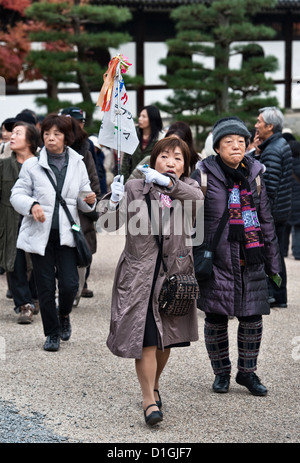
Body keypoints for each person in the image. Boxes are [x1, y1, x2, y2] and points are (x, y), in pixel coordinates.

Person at [98, 136, 203, 426]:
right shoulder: (134, 187)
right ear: (153, 159)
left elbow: (197, 202)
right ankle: (148, 399)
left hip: (173, 275)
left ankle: (154, 384)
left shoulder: (189, 189)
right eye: (164, 156)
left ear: (185, 166)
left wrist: (168, 184)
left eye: (178, 158)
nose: (170, 162)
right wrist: (114, 199)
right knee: (144, 338)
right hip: (138, 275)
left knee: (164, 340)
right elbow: (108, 224)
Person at [192, 117, 281, 396]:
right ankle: (221, 374)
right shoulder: (204, 174)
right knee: (216, 317)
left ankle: (247, 372)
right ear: (217, 147)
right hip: (216, 258)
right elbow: (190, 218)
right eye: (228, 142)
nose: (236, 146)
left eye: (241, 141)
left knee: (252, 317)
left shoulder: (255, 173)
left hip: (249, 258)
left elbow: (265, 219)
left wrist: (273, 263)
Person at [10, 114, 97, 352]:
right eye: (47, 133)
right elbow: (16, 195)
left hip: (68, 235)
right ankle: (52, 333)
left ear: (67, 137)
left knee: (69, 285)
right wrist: (32, 205)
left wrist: (89, 200)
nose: (51, 138)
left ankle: (64, 314)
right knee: (46, 287)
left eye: (57, 134)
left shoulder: (77, 163)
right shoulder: (31, 164)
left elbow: (84, 197)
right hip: (41, 236)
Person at [0, 121, 41, 323]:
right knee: (14, 264)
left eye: (18, 133)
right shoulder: (4, 165)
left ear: (30, 140)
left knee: (40, 262)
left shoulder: (43, 164)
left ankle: (35, 296)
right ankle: (24, 304)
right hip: (9, 222)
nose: (11, 136)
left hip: (37, 220)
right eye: (11, 133)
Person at [255, 106, 293, 308]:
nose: (256, 125)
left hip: (273, 211)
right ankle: (279, 296)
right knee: (276, 252)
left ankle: (273, 294)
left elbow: (267, 187)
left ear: (269, 126)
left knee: (270, 253)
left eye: (259, 122)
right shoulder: (278, 145)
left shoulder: (273, 150)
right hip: (282, 209)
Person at [67, 117, 101, 304]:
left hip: (81, 210)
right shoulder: (46, 154)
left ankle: (77, 289)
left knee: (81, 251)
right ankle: (64, 291)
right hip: (57, 212)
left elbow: (93, 179)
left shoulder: (84, 153)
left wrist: (93, 199)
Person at [128, 120, 200, 180]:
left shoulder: (196, 168)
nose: (170, 164)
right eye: (164, 157)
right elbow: (131, 185)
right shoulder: (148, 161)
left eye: (177, 158)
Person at [121, 105, 165, 181]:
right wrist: (124, 180)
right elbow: (125, 160)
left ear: (152, 119)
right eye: (140, 116)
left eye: (144, 116)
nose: (140, 119)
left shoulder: (161, 139)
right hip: (131, 180)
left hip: (151, 181)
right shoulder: (133, 135)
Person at [282, 140, 300, 259]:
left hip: (286, 199)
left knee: (285, 227)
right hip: (299, 200)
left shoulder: (285, 164)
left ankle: (283, 251)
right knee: (298, 228)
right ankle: (297, 252)